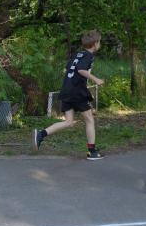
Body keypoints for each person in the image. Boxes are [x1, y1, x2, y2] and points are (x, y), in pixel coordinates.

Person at [33, 30, 105, 160]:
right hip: (77, 92)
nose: (100, 44)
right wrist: (96, 80)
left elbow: (69, 69)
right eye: (99, 42)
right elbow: (81, 70)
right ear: (95, 43)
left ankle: (41, 134)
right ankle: (92, 151)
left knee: (68, 122)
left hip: (67, 90)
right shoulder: (88, 56)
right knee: (89, 119)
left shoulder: (78, 54)